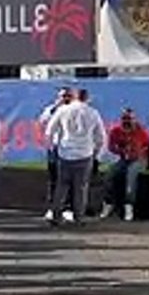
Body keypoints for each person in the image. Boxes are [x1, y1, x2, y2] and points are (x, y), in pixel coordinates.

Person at [45, 87, 106, 226]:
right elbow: (101, 136)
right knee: (81, 188)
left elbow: (50, 130)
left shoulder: (63, 110)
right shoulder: (93, 113)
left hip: (65, 152)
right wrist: (97, 154)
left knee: (61, 186)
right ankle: (78, 217)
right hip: (85, 153)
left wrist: (53, 147)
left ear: (75, 97)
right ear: (87, 98)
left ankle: (56, 215)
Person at [102, 107, 149, 221]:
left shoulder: (141, 131)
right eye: (124, 119)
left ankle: (129, 207)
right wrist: (120, 151)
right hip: (124, 160)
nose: (127, 121)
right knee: (110, 176)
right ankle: (108, 205)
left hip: (140, 160)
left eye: (129, 119)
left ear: (134, 119)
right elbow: (111, 146)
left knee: (131, 176)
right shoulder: (115, 131)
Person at [39, 87, 74, 222]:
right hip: (55, 148)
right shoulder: (52, 109)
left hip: (71, 149)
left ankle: (68, 209)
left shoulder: (76, 110)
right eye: (63, 96)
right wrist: (55, 108)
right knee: (54, 179)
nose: (65, 99)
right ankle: (53, 208)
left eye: (68, 96)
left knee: (70, 180)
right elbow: (42, 120)